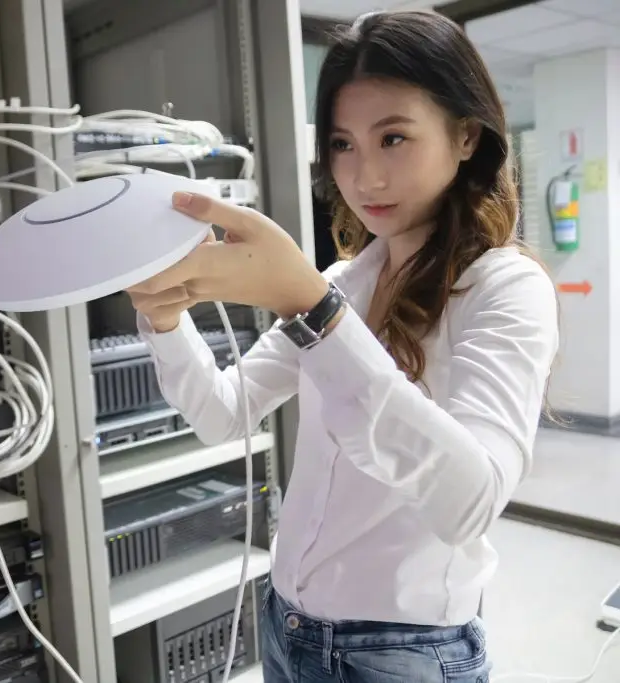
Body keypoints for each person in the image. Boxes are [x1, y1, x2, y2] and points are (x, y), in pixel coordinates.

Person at [126, 10, 559, 683]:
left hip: (403, 652)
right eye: (341, 143)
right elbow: (223, 411)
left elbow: (471, 501)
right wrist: (163, 318)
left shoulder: (505, 287)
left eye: (393, 138)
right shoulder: (343, 281)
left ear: (466, 134)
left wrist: (315, 311)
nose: (365, 177)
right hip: (285, 623)